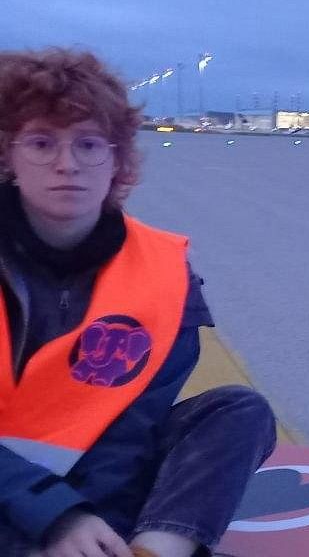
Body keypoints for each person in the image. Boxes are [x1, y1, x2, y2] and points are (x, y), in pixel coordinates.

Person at [0, 50, 276, 557]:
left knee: (239, 410)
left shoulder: (163, 271)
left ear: (116, 162)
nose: (68, 164)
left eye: (89, 144)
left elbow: (132, 427)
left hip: (102, 480)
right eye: (42, 143)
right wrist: (56, 515)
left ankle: (155, 549)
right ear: (8, 158)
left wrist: (97, 523)